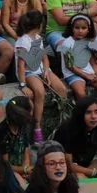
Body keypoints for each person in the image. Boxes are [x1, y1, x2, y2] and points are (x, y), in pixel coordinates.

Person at [14, 11, 65, 143]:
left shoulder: (38, 38)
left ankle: (62, 121)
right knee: (39, 92)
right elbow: (21, 66)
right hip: (28, 72)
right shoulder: (22, 41)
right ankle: (37, 127)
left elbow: (45, 58)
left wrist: (47, 70)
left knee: (61, 88)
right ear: (40, 25)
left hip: (41, 70)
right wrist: (23, 84)